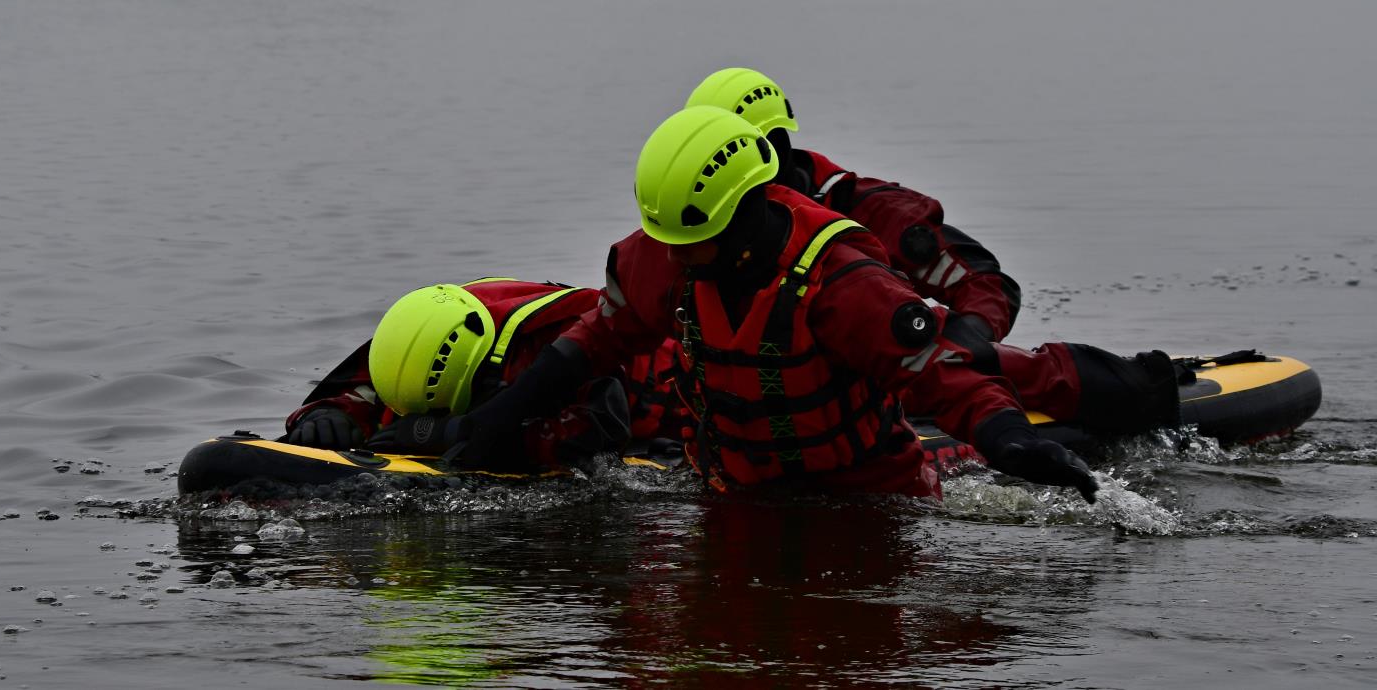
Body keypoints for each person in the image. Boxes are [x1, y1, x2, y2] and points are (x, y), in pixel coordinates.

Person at [448, 105, 1100, 501]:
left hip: (865, 497)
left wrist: (1010, 441)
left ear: (742, 214)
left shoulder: (843, 281)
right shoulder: (663, 253)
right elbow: (597, 339)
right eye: (667, 240)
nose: (675, 258)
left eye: (692, 242)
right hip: (736, 492)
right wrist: (504, 414)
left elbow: (943, 376)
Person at [684, 67, 1180, 438]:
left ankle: (1140, 390)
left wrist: (959, 350)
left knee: (960, 351)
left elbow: (985, 285)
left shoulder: (870, 211)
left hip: (885, 360)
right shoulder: (704, 234)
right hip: (779, 372)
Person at [283, 279, 633, 471]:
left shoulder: (551, 347)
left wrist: (446, 433)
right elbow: (369, 389)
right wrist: (331, 415)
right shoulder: (427, 322)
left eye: (432, 410)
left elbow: (605, 422)